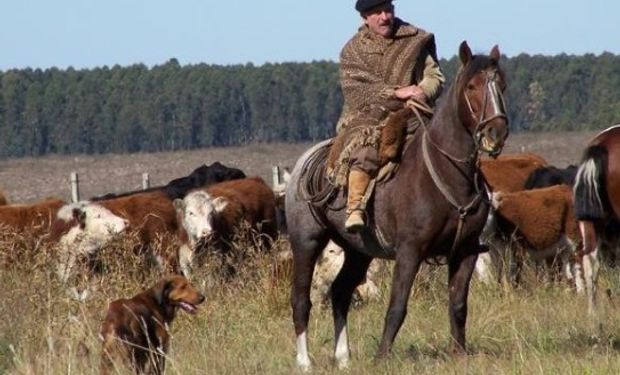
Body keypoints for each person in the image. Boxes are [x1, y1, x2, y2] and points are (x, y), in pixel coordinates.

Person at [331, 0, 445, 232]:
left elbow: (434, 75)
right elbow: (356, 91)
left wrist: (423, 91)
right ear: (364, 17)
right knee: (365, 148)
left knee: (449, 143)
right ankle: (355, 208)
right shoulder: (353, 51)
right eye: (377, 13)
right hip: (366, 115)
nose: (385, 17)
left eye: (388, 10)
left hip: (414, 111)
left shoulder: (414, 39)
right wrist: (396, 93)